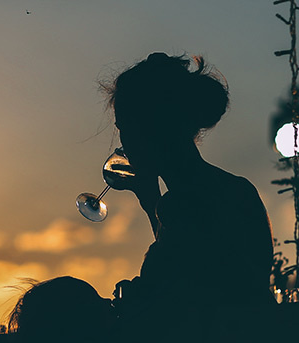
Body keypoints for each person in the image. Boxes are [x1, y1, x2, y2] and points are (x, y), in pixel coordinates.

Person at [106, 53, 274, 318]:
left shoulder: (184, 204)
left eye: (124, 126)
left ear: (151, 127)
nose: (123, 141)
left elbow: (175, 309)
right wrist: (152, 204)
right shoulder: (236, 189)